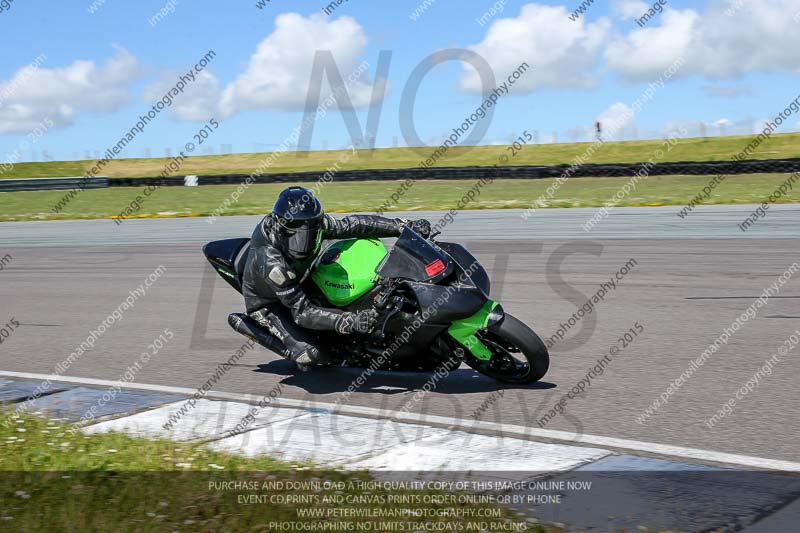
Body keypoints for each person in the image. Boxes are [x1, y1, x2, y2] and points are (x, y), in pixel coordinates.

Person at [240, 186, 431, 369]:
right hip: (270, 303)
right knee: (313, 355)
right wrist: (350, 321)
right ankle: (257, 329)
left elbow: (354, 225)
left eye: (311, 232)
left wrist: (403, 226)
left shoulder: (316, 224)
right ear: (282, 230)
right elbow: (303, 313)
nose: (305, 241)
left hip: (303, 278)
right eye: (297, 235)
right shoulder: (272, 264)